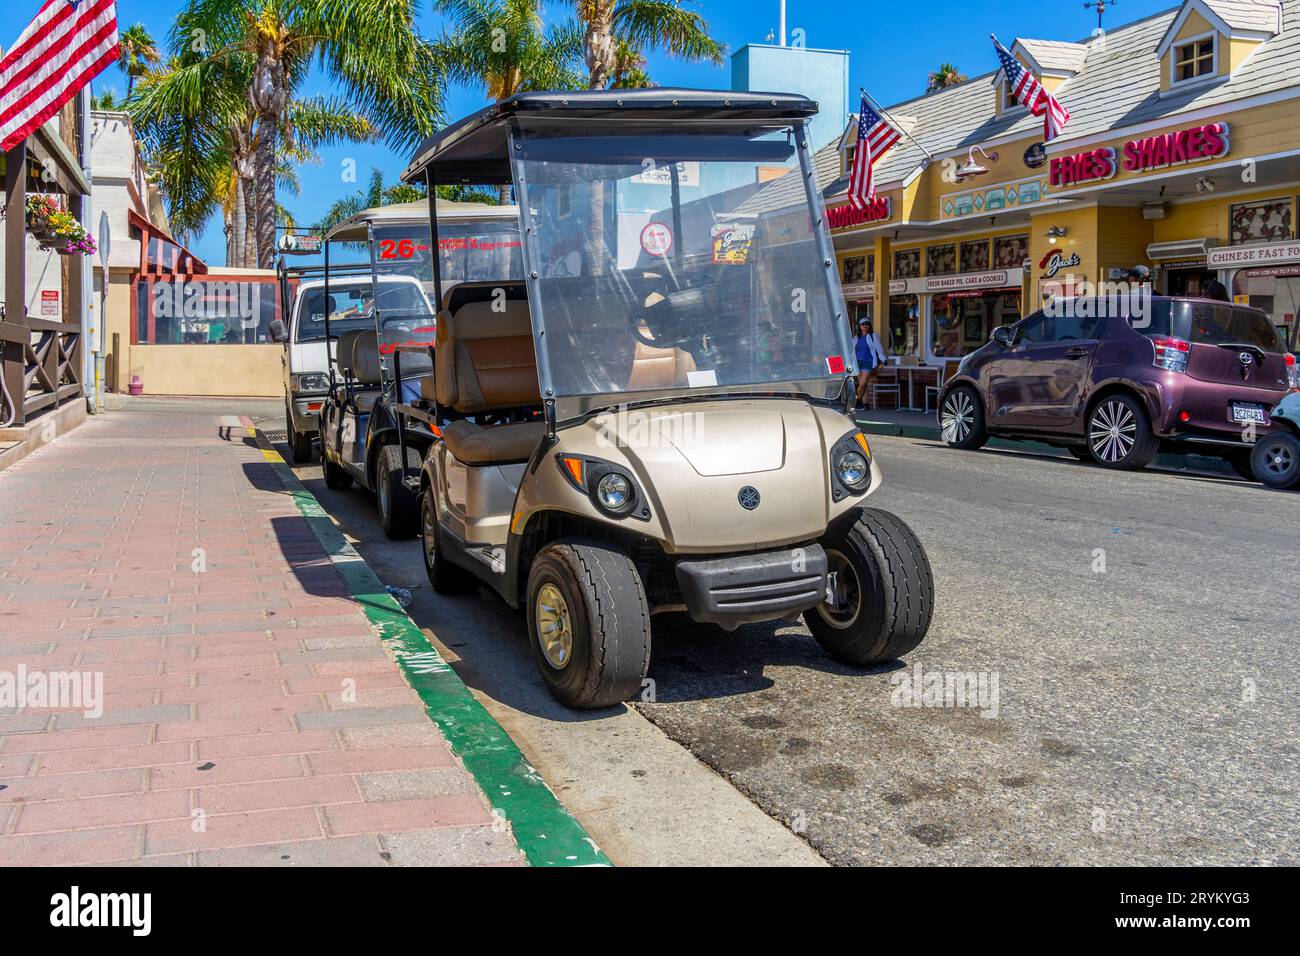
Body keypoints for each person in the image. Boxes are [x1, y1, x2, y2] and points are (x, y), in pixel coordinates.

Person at [854, 317, 887, 409]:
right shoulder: (856, 337)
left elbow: (879, 349)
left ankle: (856, 401)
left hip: (868, 363)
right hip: (858, 362)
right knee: (862, 383)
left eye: (867, 324)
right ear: (860, 326)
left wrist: (882, 362)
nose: (866, 326)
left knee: (862, 383)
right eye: (863, 324)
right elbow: (852, 350)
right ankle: (866, 404)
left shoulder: (873, 336)